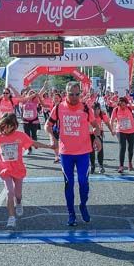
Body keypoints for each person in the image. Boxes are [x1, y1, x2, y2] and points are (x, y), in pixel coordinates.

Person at [0, 113, 56, 229]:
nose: (6, 129)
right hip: (5, 168)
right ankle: (11, 218)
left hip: (18, 168)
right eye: (3, 126)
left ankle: (18, 202)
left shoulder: (20, 136)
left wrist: (49, 146)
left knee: (18, 194)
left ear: (14, 126)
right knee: (10, 192)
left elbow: (33, 143)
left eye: (9, 126)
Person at [45, 81, 101, 226]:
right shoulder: (59, 108)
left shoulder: (86, 107)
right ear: (66, 93)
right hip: (66, 152)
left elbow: (95, 125)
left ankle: (83, 205)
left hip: (83, 152)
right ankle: (71, 213)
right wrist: (53, 138)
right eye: (71, 94)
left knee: (83, 181)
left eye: (77, 94)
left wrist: (97, 137)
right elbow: (48, 125)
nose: (75, 97)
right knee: (69, 183)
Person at [111, 95, 134, 172]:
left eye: (124, 104)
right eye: (122, 104)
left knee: (130, 148)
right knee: (122, 147)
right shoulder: (116, 110)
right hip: (121, 131)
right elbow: (112, 120)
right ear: (119, 104)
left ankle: (130, 162)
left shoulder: (129, 108)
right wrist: (112, 129)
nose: (123, 106)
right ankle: (121, 166)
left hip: (132, 130)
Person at [90, 103, 112, 174]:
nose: (97, 111)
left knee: (100, 149)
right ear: (92, 110)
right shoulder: (89, 115)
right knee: (91, 150)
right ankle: (92, 165)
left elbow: (107, 123)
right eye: (95, 109)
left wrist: (112, 131)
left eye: (98, 109)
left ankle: (100, 165)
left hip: (99, 134)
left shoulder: (102, 115)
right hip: (90, 134)